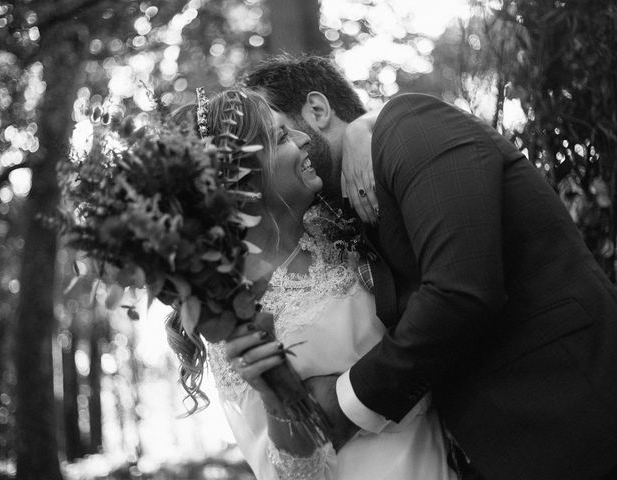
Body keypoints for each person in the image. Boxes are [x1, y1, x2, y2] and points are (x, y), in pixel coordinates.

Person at [243, 55, 617, 480]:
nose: (291, 142)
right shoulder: (332, 218)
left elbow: (461, 290)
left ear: (317, 109)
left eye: (277, 130)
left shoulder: (410, 127)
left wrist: (343, 404)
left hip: (580, 412)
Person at [167, 88, 457, 480]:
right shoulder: (235, 310)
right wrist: (276, 398)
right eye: (283, 137)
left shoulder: (334, 223)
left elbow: (397, 118)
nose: (304, 138)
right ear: (243, 180)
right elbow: (292, 473)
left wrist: (357, 131)